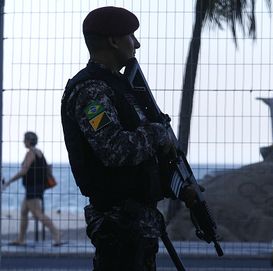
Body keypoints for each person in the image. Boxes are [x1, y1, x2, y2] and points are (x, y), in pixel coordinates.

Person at [61, 6, 197, 270]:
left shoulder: (121, 87)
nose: (136, 43)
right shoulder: (92, 92)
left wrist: (179, 188)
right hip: (119, 226)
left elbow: (142, 157)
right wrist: (159, 132)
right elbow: (115, 149)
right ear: (113, 41)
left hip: (136, 225)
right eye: (131, 36)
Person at [1, 132, 61, 246]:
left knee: (37, 214)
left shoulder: (30, 153)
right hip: (36, 187)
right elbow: (47, 169)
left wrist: (8, 182)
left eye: (24, 139)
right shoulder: (39, 152)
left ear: (28, 141)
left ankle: (56, 233)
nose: (23, 141)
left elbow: (23, 171)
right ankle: (21, 239)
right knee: (24, 211)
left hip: (33, 188)